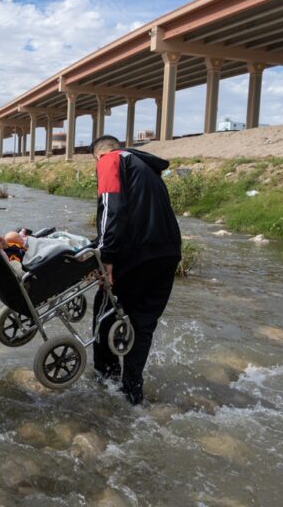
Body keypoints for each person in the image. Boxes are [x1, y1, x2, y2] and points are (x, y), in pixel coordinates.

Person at [89, 135, 181, 405]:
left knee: (105, 310)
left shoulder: (110, 159)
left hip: (136, 255)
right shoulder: (147, 168)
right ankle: (132, 395)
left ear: (98, 155)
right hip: (168, 254)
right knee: (142, 325)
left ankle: (105, 383)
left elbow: (111, 209)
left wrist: (104, 256)